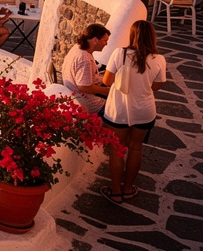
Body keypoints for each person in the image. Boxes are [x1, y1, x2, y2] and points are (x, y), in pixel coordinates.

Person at [100, 20, 166, 204]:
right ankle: (128, 189)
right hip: (144, 111)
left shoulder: (119, 53)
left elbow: (106, 81)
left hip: (119, 111)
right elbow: (157, 86)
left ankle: (116, 192)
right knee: (136, 148)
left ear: (132, 35)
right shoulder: (159, 59)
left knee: (117, 148)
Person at [62, 24, 111, 113]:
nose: (106, 44)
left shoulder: (78, 47)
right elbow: (84, 86)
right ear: (95, 40)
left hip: (73, 93)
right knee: (119, 110)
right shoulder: (84, 59)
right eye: (105, 41)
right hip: (86, 101)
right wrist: (108, 91)